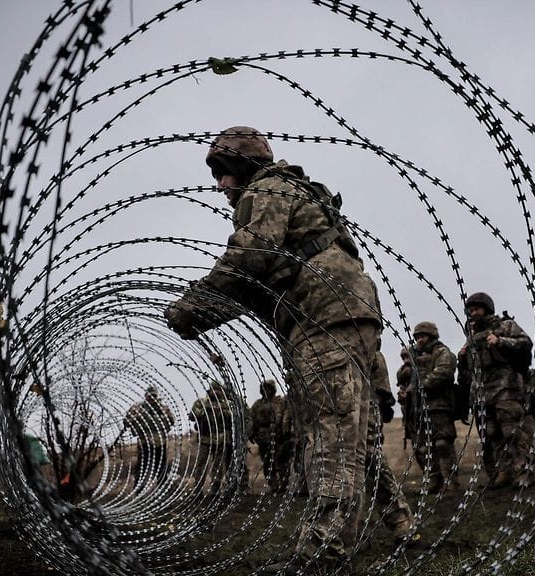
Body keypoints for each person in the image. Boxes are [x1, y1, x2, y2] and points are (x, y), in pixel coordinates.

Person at [164, 126, 382, 574]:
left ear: (246, 166)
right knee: (341, 431)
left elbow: (248, 260)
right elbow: (260, 286)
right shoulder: (290, 191)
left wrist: (193, 309)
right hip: (331, 312)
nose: (221, 184)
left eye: (226, 173)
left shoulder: (264, 190)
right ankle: (353, 535)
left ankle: (322, 554)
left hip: (325, 316)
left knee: (332, 435)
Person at [457, 292, 535, 489]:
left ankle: (525, 471)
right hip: (482, 393)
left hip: (506, 387)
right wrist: (462, 358)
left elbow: (525, 343)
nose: (473, 313)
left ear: (487, 309)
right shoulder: (472, 338)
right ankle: (505, 472)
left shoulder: (505, 326)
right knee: (493, 435)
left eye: (477, 309)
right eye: (471, 310)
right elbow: (467, 373)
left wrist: (501, 341)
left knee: (513, 431)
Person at [399, 321, 459, 493]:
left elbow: (444, 372)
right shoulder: (414, 358)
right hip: (418, 409)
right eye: (417, 337)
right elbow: (404, 379)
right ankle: (433, 481)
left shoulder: (441, 352)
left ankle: (450, 481)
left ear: (431, 336)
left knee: (442, 443)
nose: (420, 340)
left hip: (438, 405)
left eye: (423, 336)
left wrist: (420, 385)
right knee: (424, 446)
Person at [364, 351, 414, 541]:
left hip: (362, 406)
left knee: (371, 460)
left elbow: (382, 388)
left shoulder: (363, 340)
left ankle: (400, 520)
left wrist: (384, 403)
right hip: (325, 409)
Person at [124, 386, 176, 489]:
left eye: (154, 396)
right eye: (150, 396)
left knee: (161, 468)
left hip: (159, 443)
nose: (152, 398)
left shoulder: (163, 408)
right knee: (142, 468)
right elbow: (126, 421)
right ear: (145, 396)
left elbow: (171, 421)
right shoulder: (138, 408)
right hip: (144, 443)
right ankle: (139, 491)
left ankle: (162, 491)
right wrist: (137, 417)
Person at [189, 381, 236, 493]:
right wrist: (205, 410)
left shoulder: (227, 404)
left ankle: (215, 488)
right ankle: (197, 488)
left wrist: (222, 411)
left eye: (218, 390)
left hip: (220, 439)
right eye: (214, 389)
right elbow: (192, 416)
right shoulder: (201, 402)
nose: (216, 392)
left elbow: (232, 417)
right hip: (205, 438)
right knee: (201, 464)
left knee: (218, 466)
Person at [248, 379, 292, 492]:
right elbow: (252, 419)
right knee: (268, 462)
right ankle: (274, 485)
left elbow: (285, 417)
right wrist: (251, 433)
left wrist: (285, 432)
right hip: (263, 436)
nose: (266, 391)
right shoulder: (257, 404)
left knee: (282, 461)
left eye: (268, 388)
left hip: (278, 436)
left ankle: (284, 483)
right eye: (264, 389)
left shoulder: (279, 402)